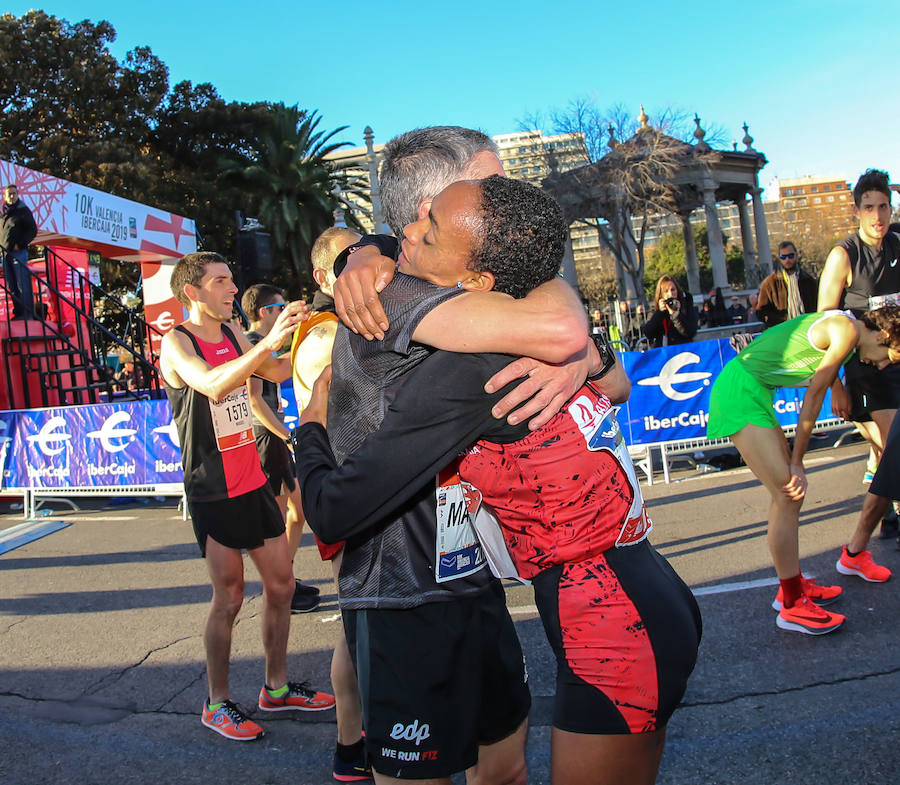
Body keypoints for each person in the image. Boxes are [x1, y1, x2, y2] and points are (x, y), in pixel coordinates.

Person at [295, 176, 699, 785]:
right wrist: (365, 251)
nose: (407, 231)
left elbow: (331, 512)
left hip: (612, 625)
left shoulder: (467, 373)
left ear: (477, 284)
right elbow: (614, 382)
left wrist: (313, 428)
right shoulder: (528, 318)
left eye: (427, 232)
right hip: (645, 590)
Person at [159, 251, 334, 742]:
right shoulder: (176, 342)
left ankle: (274, 689)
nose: (232, 289)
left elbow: (273, 373)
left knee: (281, 588)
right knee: (230, 596)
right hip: (213, 488)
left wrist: (310, 333)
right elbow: (215, 384)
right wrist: (267, 344)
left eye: (232, 281)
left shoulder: (236, 334)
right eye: (220, 282)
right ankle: (216, 703)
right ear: (193, 292)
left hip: (253, 478)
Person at [706, 305, 900, 634]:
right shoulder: (847, 330)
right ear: (882, 335)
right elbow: (813, 398)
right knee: (788, 494)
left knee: (786, 497)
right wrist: (798, 461)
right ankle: (792, 605)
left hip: (754, 390)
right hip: (741, 392)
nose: (880, 365)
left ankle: (791, 588)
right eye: (888, 357)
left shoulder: (847, 330)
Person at [293, 226, 371, 782]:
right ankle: (351, 745)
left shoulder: (341, 323)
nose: (364, 259)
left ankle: (357, 743)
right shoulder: (325, 334)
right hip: (353, 495)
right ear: (324, 277)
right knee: (358, 624)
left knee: (363, 620)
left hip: (367, 490)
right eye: (349, 255)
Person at [817, 169, 900, 531]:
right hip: (865, 370)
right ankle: (871, 532)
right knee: (893, 445)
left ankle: (887, 513)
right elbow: (820, 324)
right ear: (856, 211)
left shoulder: (898, 242)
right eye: (869, 208)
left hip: (896, 356)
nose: (878, 216)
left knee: (889, 450)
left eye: (884, 206)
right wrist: (834, 384)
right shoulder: (844, 255)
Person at [240, 283, 320, 614]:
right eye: (280, 308)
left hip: (275, 436)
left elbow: (283, 368)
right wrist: (286, 436)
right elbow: (254, 400)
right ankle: (280, 588)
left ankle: (285, 579)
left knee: (297, 512)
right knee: (277, 520)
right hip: (265, 437)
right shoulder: (252, 344)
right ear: (265, 312)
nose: (284, 313)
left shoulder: (263, 346)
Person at [836, 405, 900, 583]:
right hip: (875, 386)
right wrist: (836, 387)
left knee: (888, 456)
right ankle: (855, 551)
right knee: (890, 458)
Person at [756, 240, 818, 329]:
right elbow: (761, 312)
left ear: (797, 255)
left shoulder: (808, 280)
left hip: (806, 328)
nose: (787, 260)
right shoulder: (770, 283)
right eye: (783, 257)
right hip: (781, 331)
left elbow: (816, 306)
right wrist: (778, 320)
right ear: (779, 258)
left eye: (791, 256)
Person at [0, 184, 37, 319]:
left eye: (14, 193)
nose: (11, 196)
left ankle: (27, 314)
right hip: (5, 253)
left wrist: (20, 244)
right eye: (9, 194)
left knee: (22, 284)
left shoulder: (23, 210)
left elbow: (32, 230)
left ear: (17, 194)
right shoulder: (3, 212)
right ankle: (19, 312)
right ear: (4, 196)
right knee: (11, 285)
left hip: (18, 253)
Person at [642, 275, 698, 348]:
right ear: (661, 295)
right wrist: (660, 313)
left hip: (684, 351)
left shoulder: (686, 307)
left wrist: (676, 316)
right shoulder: (655, 312)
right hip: (665, 353)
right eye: (666, 291)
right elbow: (648, 333)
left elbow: (691, 331)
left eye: (673, 290)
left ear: (677, 291)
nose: (670, 294)